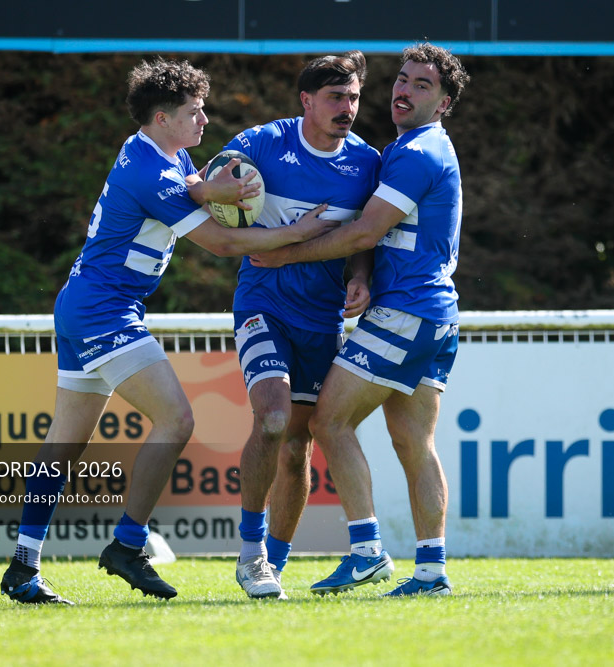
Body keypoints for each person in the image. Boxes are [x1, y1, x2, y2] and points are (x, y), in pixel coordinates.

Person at [0, 57, 338, 605]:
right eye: (194, 112)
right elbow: (223, 244)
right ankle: (127, 544)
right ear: (162, 117)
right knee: (177, 418)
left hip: (85, 303)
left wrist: (208, 191)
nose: (205, 122)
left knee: (64, 444)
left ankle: (22, 567)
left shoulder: (164, 153)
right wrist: (299, 232)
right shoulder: (148, 170)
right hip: (103, 310)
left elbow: (189, 187)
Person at [250, 42, 471, 596]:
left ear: (444, 104)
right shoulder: (410, 148)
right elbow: (374, 240)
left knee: (328, 421)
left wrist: (283, 252)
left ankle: (368, 550)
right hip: (435, 314)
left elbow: (365, 230)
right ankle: (432, 571)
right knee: (413, 442)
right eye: (402, 79)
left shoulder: (417, 153)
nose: (405, 89)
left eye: (423, 85)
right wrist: (363, 275)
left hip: (407, 312)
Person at [219, 52, 381, 599]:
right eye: (336, 97)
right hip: (263, 305)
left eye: (354, 97)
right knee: (271, 419)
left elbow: (365, 233)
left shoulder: (365, 162)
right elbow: (210, 184)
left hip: (323, 320)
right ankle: (250, 555)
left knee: (295, 447)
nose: (348, 108)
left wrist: (360, 276)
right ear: (306, 100)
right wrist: (225, 188)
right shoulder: (263, 143)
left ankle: (276, 567)